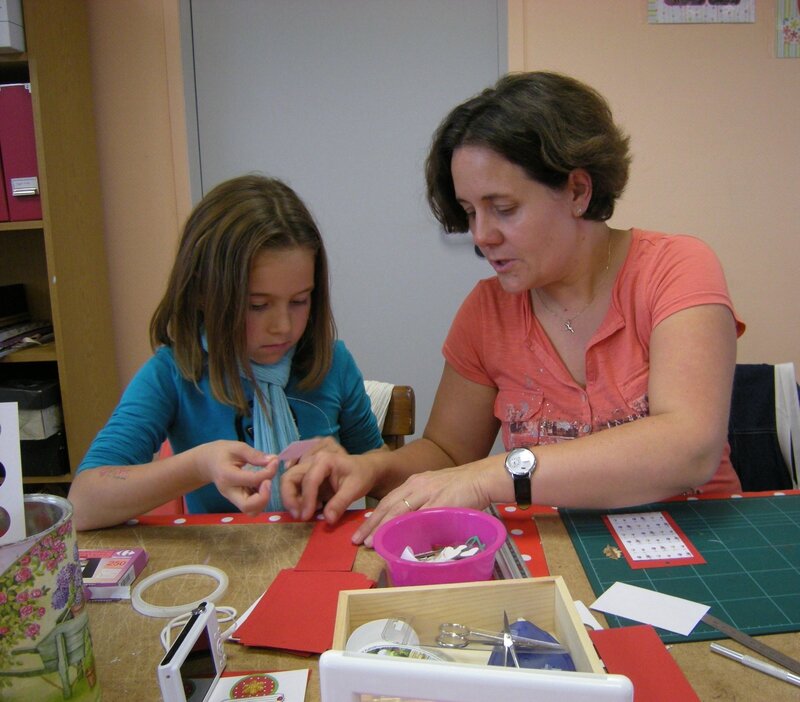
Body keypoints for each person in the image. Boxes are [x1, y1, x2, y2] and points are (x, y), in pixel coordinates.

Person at [281, 71, 745, 546]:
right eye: (470, 212)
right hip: (564, 548)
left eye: (502, 208)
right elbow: (447, 453)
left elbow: (690, 447)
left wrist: (492, 476)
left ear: (577, 191)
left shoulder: (676, 269)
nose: (481, 236)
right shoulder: (487, 311)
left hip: (703, 542)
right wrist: (371, 467)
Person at [68, 174, 385, 531]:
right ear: (205, 295)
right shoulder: (174, 374)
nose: (282, 326)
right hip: (224, 570)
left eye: (299, 300)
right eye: (257, 305)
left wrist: (353, 469)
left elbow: (381, 470)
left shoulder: (331, 363)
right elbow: (82, 504)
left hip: (321, 561)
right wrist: (198, 466)